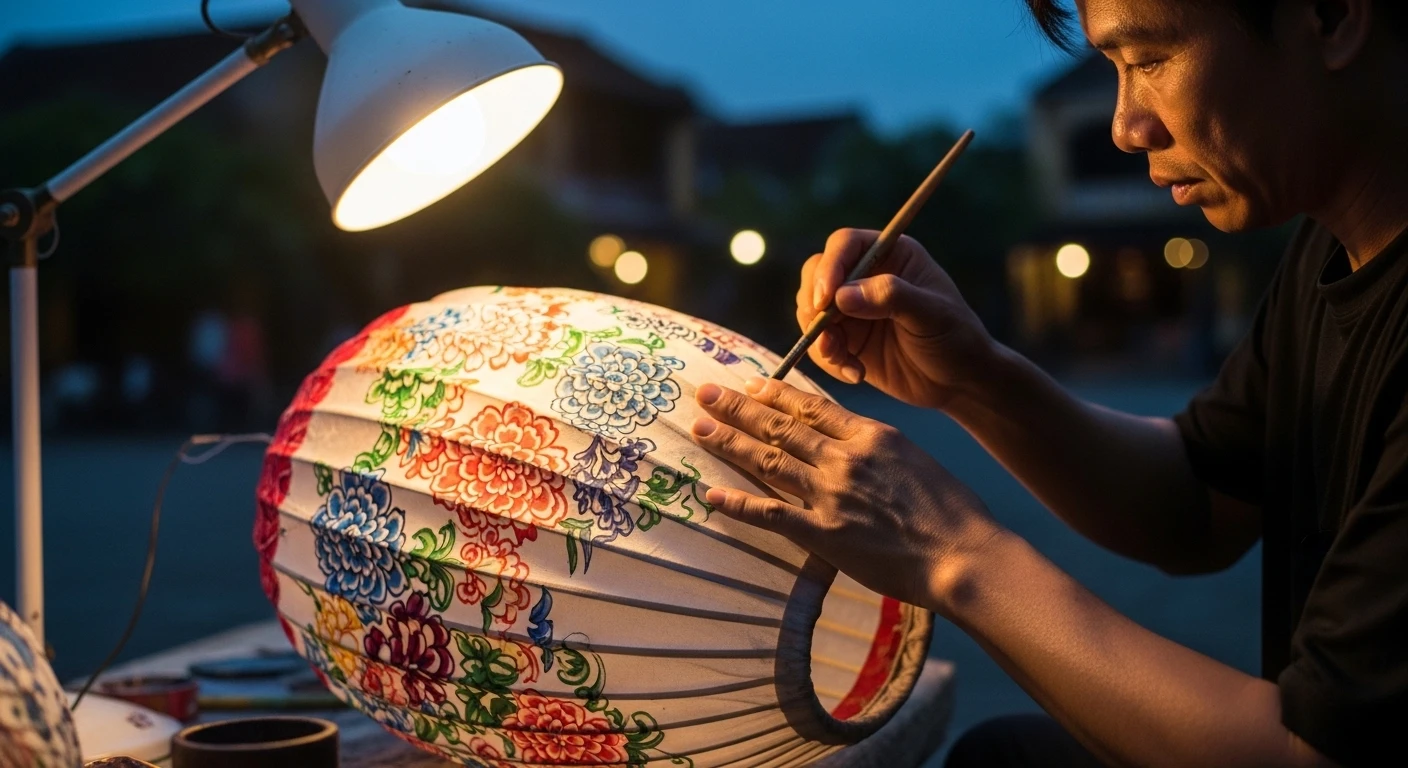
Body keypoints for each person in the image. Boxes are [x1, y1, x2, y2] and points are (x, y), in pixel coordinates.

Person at [688, 1, 1408, 766]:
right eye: (1114, 72)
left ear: (1330, 17)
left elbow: (1310, 752)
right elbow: (1197, 504)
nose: (1127, 125)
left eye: (1149, 60)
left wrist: (951, 553)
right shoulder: (1329, 248)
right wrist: (971, 379)